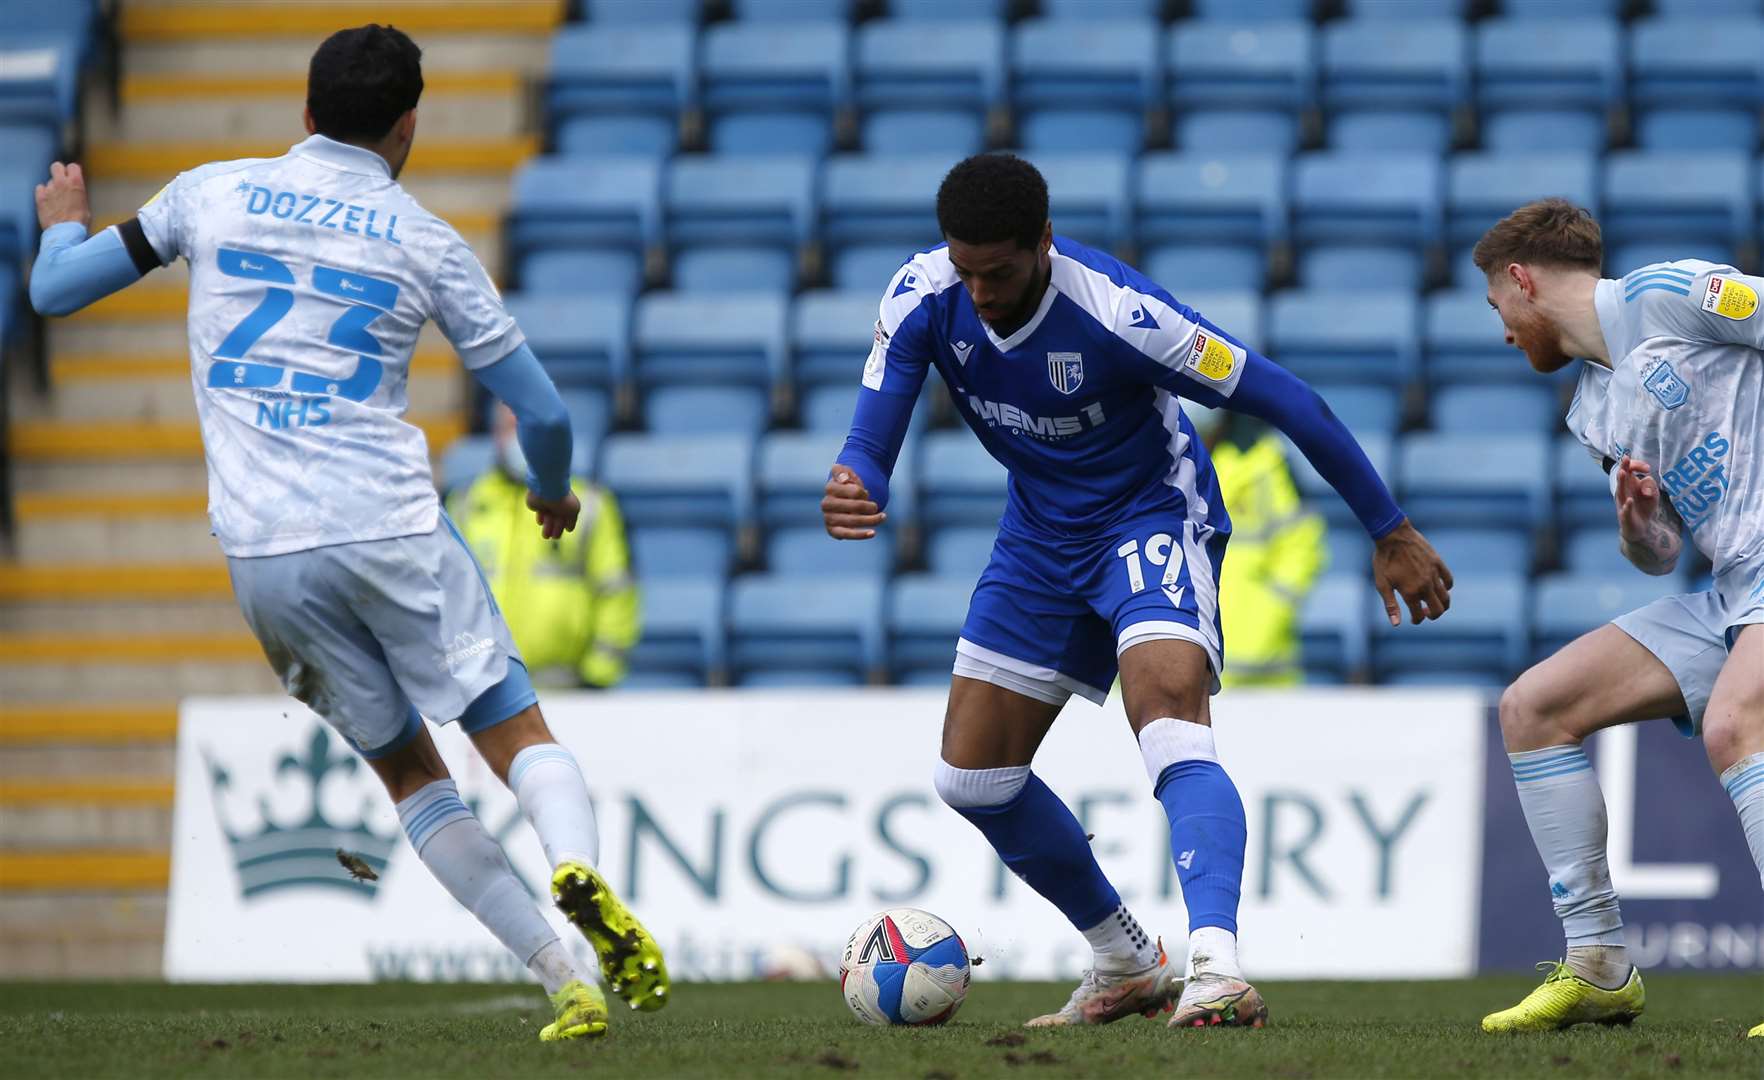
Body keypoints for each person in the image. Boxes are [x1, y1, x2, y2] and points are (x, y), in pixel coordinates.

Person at [27, 25, 667, 1041]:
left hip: (264, 554)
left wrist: (61, 224)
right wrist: (551, 491)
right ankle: (573, 863)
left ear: (306, 115)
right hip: (388, 523)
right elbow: (541, 416)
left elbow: (54, 292)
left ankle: (563, 981)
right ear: (408, 127)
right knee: (513, 730)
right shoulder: (423, 238)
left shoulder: (209, 191)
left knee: (411, 775)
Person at [823, 154, 1452, 1030]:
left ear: (1043, 243)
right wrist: (858, 479)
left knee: (1164, 717)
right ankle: (1125, 959)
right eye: (965, 270)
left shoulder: (1121, 315)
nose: (981, 292)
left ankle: (1216, 967)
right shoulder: (924, 294)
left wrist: (1390, 528)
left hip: (1149, 515)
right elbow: (873, 431)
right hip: (1039, 535)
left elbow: (1290, 400)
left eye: (998, 271)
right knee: (972, 778)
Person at [1472, 198, 1764, 1038]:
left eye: (1499, 307)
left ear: (1522, 281)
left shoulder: (1669, 293)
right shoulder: (1591, 409)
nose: (1503, 331)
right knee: (1535, 707)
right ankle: (1598, 965)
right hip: (1734, 589)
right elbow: (1662, 554)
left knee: (1739, 721)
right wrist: (1640, 524)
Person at [449, 404, 639, 690]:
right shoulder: (465, 505)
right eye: (512, 428)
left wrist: (595, 679)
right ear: (495, 434)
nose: (521, 439)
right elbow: (449, 598)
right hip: (487, 691)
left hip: (569, 688)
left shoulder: (589, 504)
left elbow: (617, 593)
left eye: (531, 429)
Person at [1184, 404, 1327, 687]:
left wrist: (1271, 611)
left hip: (1258, 670)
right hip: (1163, 658)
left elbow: (1302, 545)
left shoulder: (1265, 461)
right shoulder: (1143, 455)